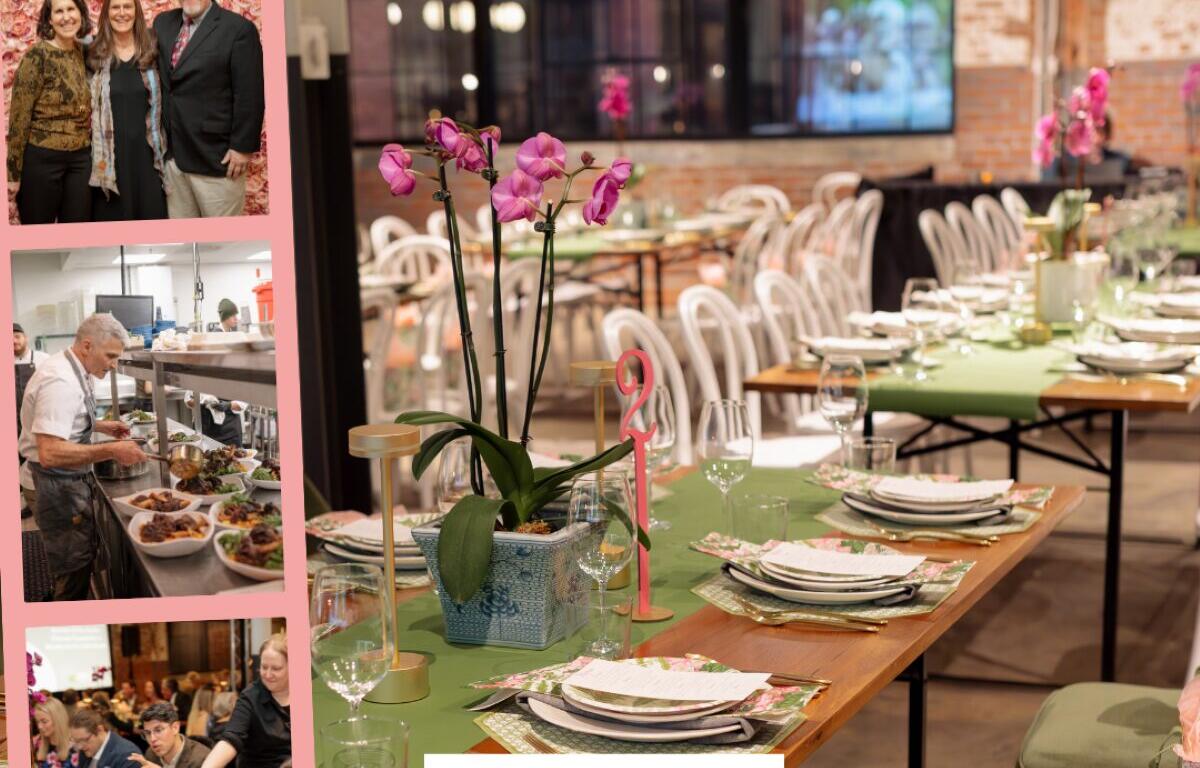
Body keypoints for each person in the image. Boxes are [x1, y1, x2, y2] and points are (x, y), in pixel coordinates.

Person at [17, 313, 148, 601]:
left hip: (63, 480)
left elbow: (64, 418)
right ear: (87, 346)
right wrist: (112, 449)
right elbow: (50, 453)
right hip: (52, 483)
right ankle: (64, 609)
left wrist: (100, 426)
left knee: (74, 559)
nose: (113, 365)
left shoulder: (74, 367)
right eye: (110, 356)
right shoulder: (60, 381)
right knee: (72, 565)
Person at [152, 0, 264, 218]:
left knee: (222, 237)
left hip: (217, 159)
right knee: (182, 235)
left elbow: (249, 93)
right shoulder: (162, 23)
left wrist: (242, 147)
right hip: (173, 160)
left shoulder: (239, 29)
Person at [6, 0, 94, 224]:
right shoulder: (37, 56)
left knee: (78, 233)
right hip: (42, 159)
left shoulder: (82, 52)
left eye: (71, 9)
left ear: (81, 14)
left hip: (81, 159)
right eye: (59, 11)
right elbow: (19, 117)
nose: (66, 17)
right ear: (49, 20)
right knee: (38, 231)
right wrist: (13, 174)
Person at [87, 0, 169, 220]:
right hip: (109, 162)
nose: (121, 13)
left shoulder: (152, 50)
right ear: (106, 13)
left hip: (147, 160)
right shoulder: (93, 52)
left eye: (127, 6)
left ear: (136, 12)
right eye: (115, 7)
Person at [199, 632, 290, 768]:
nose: (268, 674)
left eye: (276, 669)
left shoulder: (309, 692)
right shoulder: (251, 696)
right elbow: (232, 738)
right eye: (264, 667)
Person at [185, 300, 245, 446]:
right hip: (205, 429)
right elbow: (188, 399)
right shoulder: (201, 370)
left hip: (230, 431)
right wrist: (203, 403)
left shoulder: (237, 369)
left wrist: (228, 405)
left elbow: (243, 403)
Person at [130, 702, 210, 768]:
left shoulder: (201, 759)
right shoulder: (151, 754)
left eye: (158, 730)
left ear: (175, 728)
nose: (152, 739)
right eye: (148, 733)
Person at [68, 708, 139, 768]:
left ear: (99, 730)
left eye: (85, 740)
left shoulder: (127, 755)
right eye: (77, 741)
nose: (80, 747)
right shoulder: (86, 749)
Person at [33, 696, 76, 768]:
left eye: (44, 721)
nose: (39, 726)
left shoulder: (75, 747)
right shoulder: (37, 744)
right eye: (37, 722)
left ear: (58, 720)